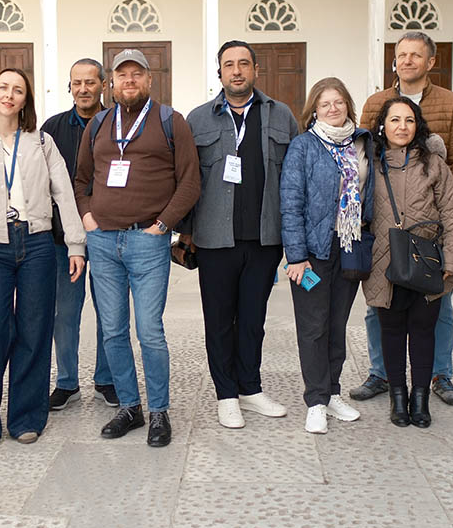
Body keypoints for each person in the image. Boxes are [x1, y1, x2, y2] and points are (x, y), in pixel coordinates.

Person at [74, 48, 200, 447]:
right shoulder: (98, 124)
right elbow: (80, 179)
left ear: (149, 80)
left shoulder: (170, 121)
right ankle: (130, 406)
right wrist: (88, 218)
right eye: (122, 74)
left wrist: (162, 226)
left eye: (137, 74)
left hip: (148, 242)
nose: (129, 80)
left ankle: (159, 410)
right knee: (112, 330)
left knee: (149, 331)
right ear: (111, 82)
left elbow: (190, 182)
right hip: (103, 242)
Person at [0, 68, 86, 448]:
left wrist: (75, 244)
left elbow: (64, 193)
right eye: (3, 88)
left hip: (37, 244)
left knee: (34, 332)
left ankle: (26, 417)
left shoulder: (41, 142)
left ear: (25, 99)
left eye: (18, 90)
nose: (9, 95)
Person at [352, 32, 453, 407]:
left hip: (428, 227)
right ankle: (381, 373)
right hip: (386, 232)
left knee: (438, 306)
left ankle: (439, 374)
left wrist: (430, 196)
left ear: (430, 61)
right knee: (379, 307)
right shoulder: (376, 103)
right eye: (401, 54)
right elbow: (363, 158)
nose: (407, 61)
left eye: (415, 55)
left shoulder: (450, 102)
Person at [185, 40, 300, 429]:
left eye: (244, 64)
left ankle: (250, 389)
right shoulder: (198, 119)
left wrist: (294, 238)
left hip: (265, 238)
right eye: (229, 65)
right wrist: (185, 234)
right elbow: (188, 179)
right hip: (214, 240)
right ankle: (226, 395)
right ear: (219, 73)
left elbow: (294, 178)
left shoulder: (281, 115)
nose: (236, 71)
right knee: (219, 321)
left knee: (253, 319)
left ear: (255, 70)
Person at [364, 97, 453, 429]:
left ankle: (420, 399)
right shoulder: (370, 163)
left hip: (426, 260)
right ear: (383, 125)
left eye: (409, 120)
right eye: (395, 120)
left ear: (417, 125)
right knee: (391, 331)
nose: (402, 127)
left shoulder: (434, 164)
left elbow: (451, 214)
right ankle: (397, 397)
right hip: (384, 262)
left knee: (423, 331)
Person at [280, 77, 371, 434]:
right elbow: (291, 203)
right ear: (314, 111)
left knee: (336, 324)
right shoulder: (303, 146)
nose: (333, 109)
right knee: (313, 326)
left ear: (348, 105)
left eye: (339, 102)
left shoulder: (361, 143)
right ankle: (315, 401)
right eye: (324, 104)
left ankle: (332, 393)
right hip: (312, 252)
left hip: (349, 247)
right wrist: (296, 256)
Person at [40, 59, 117, 411]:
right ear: (69, 87)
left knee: (110, 312)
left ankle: (106, 379)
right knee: (65, 313)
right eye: (77, 83)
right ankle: (67, 382)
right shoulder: (51, 129)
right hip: (62, 238)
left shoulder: (117, 123)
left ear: (103, 84)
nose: (83, 89)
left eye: (90, 82)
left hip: (108, 234)